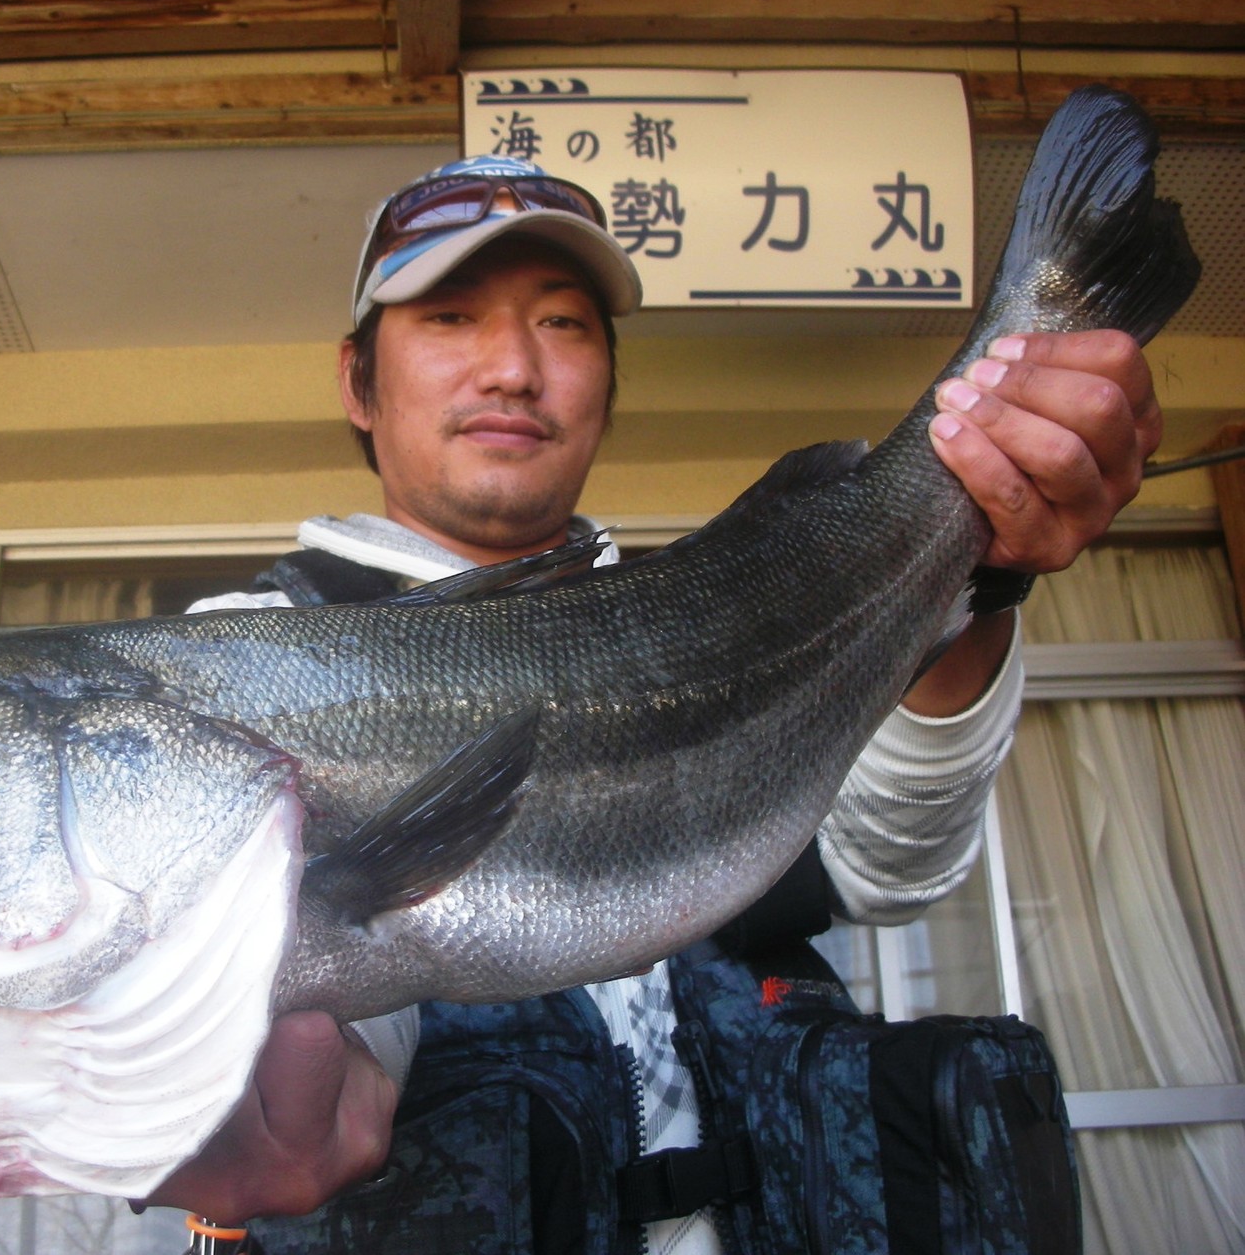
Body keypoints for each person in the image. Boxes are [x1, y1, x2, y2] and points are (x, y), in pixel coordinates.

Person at [142, 155, 1163, 1251]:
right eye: (447, 316)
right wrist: (248, 1079)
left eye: (564, 324)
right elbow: (336, 969)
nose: (512, 369)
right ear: (356, 382)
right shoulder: (228, 665)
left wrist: (981, 575)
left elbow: (883, 864)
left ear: (609, 383)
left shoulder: (718, 612)